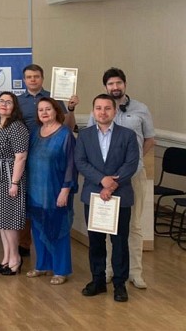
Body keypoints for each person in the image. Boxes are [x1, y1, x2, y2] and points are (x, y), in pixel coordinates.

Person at [90, 67, 155, 290]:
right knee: (107, 225)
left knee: (134, 225)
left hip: (133, 176)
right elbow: (93, 141)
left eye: (118, 83)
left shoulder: (141, 109)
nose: (115, 87)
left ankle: (135, 272)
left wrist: (132, 162)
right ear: (105, 87)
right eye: (110, 84)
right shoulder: (100, 109)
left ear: (125, 84)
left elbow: (150, 139)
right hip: (106, 180)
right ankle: (110, 270)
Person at [75, 94, 139, 303]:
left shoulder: (128, 135)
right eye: (98, 108)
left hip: (120, 196)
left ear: (114, 111)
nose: (103, 112)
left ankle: (120, 284)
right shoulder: (84, 135)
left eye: (107, 108)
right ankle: (98, 281)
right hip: (94, 195)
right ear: (93, 111)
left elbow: (131, 163)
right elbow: (80, 162)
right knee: (96, 241)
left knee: (119, 242)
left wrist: (111, 185)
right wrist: (102, 180)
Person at [16, 64, 78, 257]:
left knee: (52, 209)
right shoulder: (18, 101)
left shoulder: (54, 98)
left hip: (51, 160)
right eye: (29, 77)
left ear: (42, 78)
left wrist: (70, 109)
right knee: (29, 205)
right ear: (24, 80)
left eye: (36, 76)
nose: (33, 79)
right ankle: (25, 245)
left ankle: (54, 255)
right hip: (27, 158)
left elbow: (68, 126)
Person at [26, 97, 76, 285]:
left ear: (56, 111)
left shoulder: (65, 134)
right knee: (38, 229)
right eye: (41, 110)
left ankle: (61, 270)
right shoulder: (34, 132)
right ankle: (42, 265)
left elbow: (71, 165)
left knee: (58, 229)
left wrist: (65, 189)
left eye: (48, 109)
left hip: (56, 190)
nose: (44, 112)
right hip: (35, 190)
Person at [0, 92, 29, 277]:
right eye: (1, 101)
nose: (4, 104)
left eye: (9, 102)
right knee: (1, 221)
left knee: (9, 221)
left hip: (9, 179)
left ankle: (15, 259)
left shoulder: (17, 127)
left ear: (14, 107)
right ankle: (6, 257)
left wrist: (15, 182)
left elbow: (21, 157)